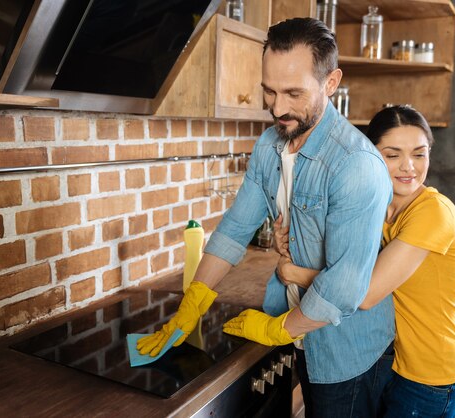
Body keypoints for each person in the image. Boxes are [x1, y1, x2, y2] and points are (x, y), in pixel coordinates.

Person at [137, 17, 394, 417]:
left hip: (348, 351)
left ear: (330, 83)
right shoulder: (269, 145)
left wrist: (277, 329)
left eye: (293, 92)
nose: (277, 108)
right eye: (269, 91)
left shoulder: (357, 165)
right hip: (300, 333)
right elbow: (236, 228)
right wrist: (193, 303)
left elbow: (345, 288)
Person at [275, 105, 455, 417]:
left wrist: (293, 272)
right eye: (393, 155)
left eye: (419, 154)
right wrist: (284, 237)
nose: (409, 167)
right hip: (393, 361)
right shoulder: (381, 206)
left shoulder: (433, 213)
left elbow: (364, 294)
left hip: (430, 374)